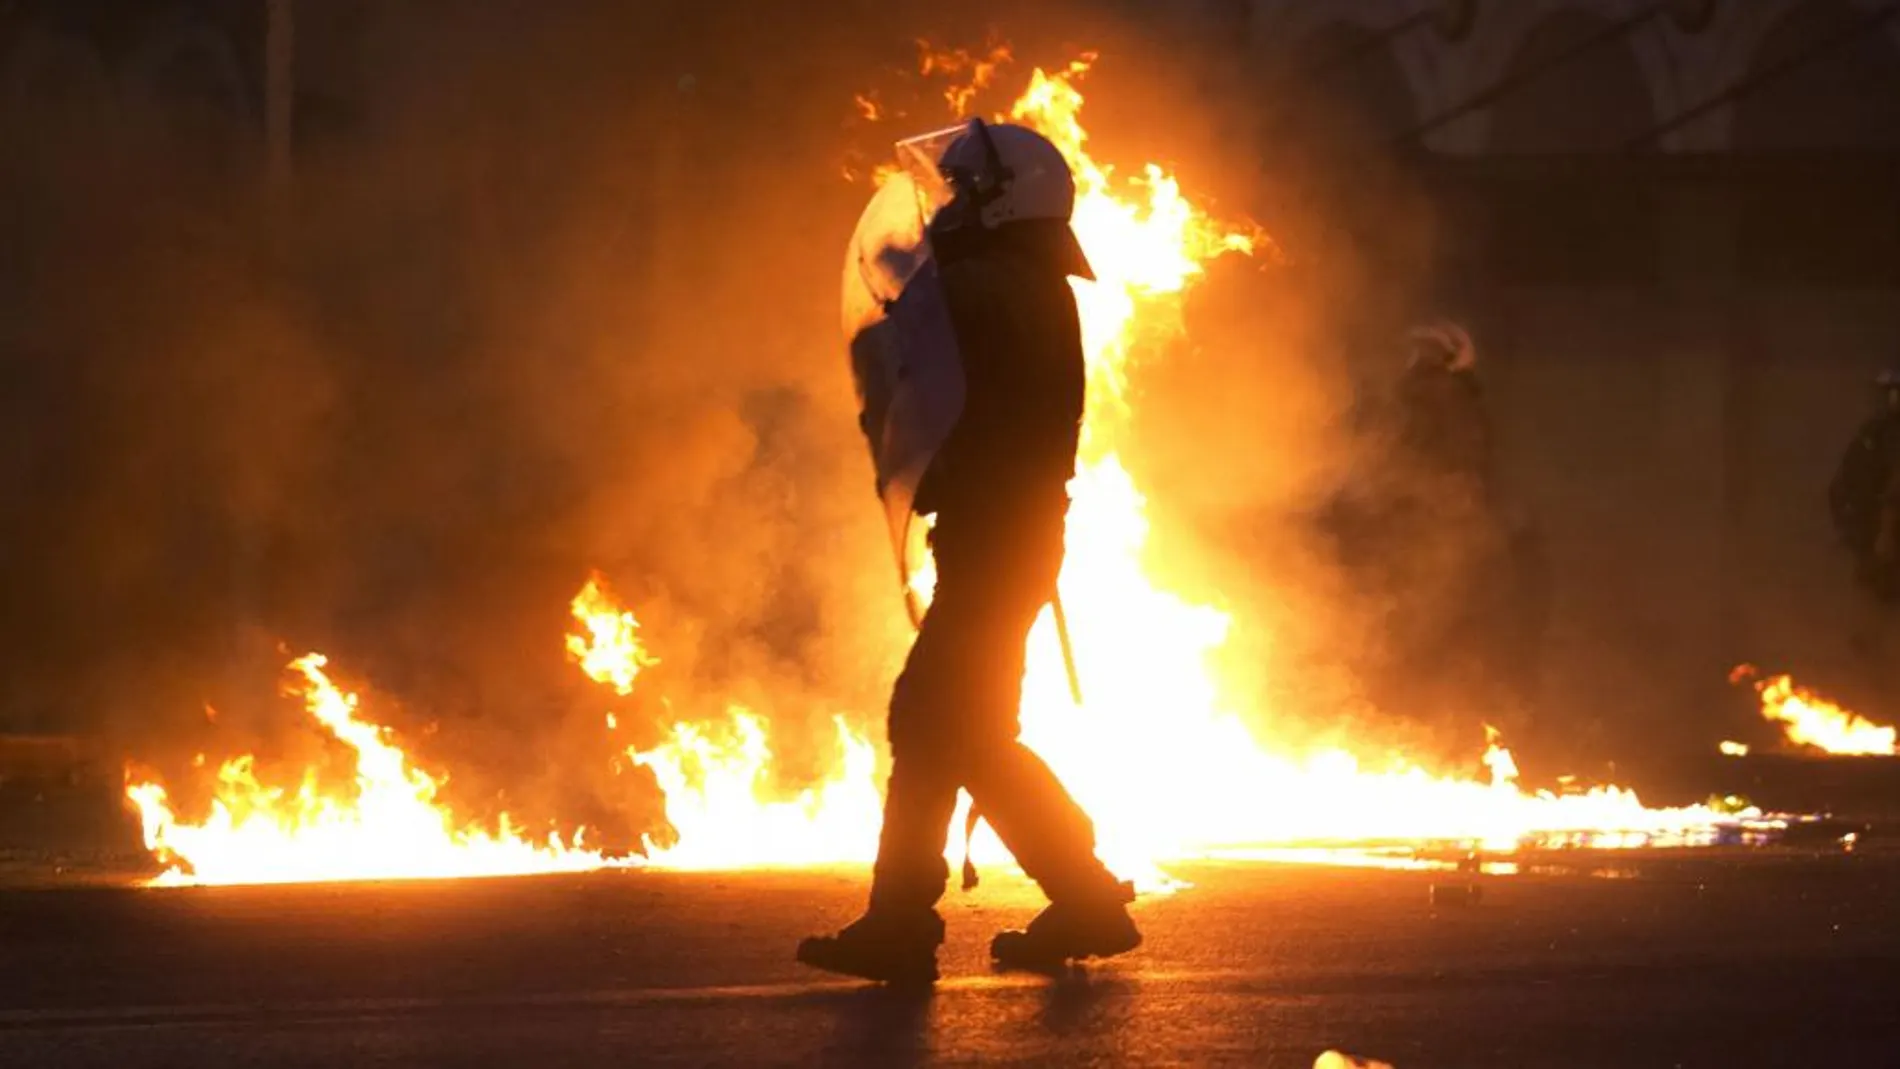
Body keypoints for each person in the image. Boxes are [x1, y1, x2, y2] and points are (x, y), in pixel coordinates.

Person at [800, 119, 1138, 985]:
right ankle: (1071, 895)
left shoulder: (989, 284)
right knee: (960, 727)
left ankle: (917, 920)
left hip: (997, 536)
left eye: (957, 191)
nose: (942, 205)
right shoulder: (1025, 282)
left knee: (936, 721)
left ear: (1000, 200)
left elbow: (914, 349)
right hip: (1008, 535)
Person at [1829, 368, 1900, 604]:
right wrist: (1851, 529)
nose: (1891, 401)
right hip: (1873, 550)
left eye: (1894, 393)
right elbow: (1841, 486)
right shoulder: (1870, 435)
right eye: (1887, 394)